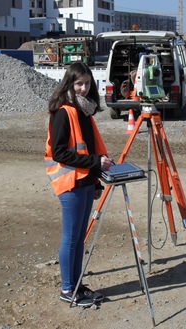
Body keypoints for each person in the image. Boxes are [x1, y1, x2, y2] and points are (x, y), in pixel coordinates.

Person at [44, 62, 114, 307]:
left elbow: (89, 146)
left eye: (87, 83)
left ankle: (76, 284)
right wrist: (96, 162)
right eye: (78, 84)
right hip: (70, 183)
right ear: (69, 84)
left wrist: (95, 180)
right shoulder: (63, 111)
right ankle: (67, 289)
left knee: (79, 239)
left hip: (85, 181)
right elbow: (60, 153)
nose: (83, 88)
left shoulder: (84, 111)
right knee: (72, 238)